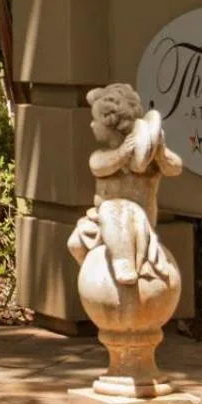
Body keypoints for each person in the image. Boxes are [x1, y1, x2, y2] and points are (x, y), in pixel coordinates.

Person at [69, 83, 183, 286]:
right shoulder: (102, 156)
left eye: (95, 121)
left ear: (110, 125)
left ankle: (124, 263)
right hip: (100, 222)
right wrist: (122, 154)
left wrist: (160, 152)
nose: (91, 125)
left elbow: (175, 168)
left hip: (134, 221)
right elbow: (98, 166)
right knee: (75, 243)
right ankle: (96, 279)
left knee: (112, 210)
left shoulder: (148, 164)